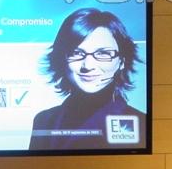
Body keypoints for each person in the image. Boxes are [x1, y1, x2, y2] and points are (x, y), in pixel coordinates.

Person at [29, 8, 145, 150]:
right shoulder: (44, 120)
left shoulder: (141, 122)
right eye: (76, 53)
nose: (88, 66)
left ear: (121, 61)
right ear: (61, 58)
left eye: (103, 53)